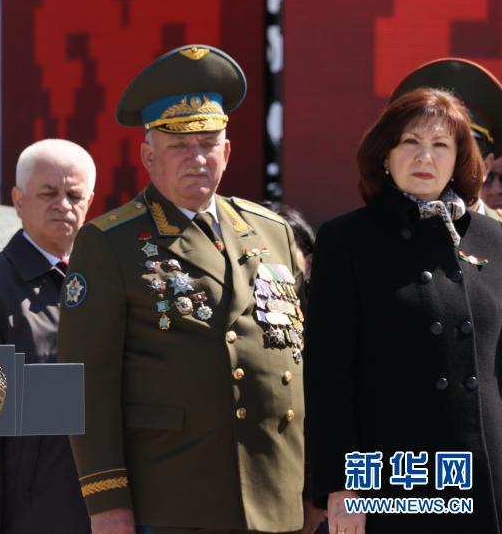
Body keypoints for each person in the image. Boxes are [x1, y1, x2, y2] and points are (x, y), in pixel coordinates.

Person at [58, 45, 306, 534]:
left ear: (227, 152)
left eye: (208, 143)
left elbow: (301, 368)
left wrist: (317, 486)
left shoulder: (271, 230)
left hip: (277, 495)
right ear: (148, 156)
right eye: (179, 145)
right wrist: (107, 502)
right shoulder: (110, 243)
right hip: (174, 499)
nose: (197, 158)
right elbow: (88, 384)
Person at [305, 88, 502, 533]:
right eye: (410, 141)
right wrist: (343, 487)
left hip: (488, 475)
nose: (424, 156)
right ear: (385, 155)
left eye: (441, 145)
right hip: (395, 479)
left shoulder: (494, 240)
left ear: (459, 159)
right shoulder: (347, 241)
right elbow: (328, 376)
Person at [0, 138, 96, 534]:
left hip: (109, 512)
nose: (62, 204)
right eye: (48, 193)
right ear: (18, 199)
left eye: (74, 195)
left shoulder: (107, 284)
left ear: (90, 202)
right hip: (31, 516)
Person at [391, 58, 502, 218]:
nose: (428, 158)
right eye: (413, 141)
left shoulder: (498, 230)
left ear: (486, 165)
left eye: (464, 149)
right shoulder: (364, 228)